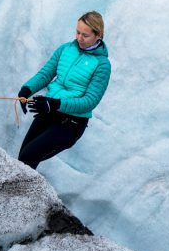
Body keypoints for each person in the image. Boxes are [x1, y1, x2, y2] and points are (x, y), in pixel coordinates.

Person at [16, 11, 111, 170]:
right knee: (22, 160)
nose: (79, 38)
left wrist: (55, 104)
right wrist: (26, 89)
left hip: (71, 123)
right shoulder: (65, 49)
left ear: (98, 35)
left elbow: (89, 102)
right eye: (78, 32)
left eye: (85, 35)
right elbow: (46, 74)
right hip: (49, 112)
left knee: (28, 157)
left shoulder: (102, 65)